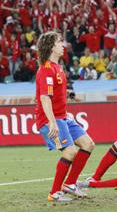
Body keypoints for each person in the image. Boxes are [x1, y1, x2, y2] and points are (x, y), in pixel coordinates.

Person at [35, 31, 95, 202]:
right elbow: (44, 98)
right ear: (51, 47)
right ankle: (54, 193)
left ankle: (70, 184)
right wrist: (52, 123)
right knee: (70, 152)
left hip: (63, 116)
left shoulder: (57, 67)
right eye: (59, 42)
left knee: (88, 144)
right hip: (51, 119)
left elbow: (56, 95)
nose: (63, 45)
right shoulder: (46, 70)